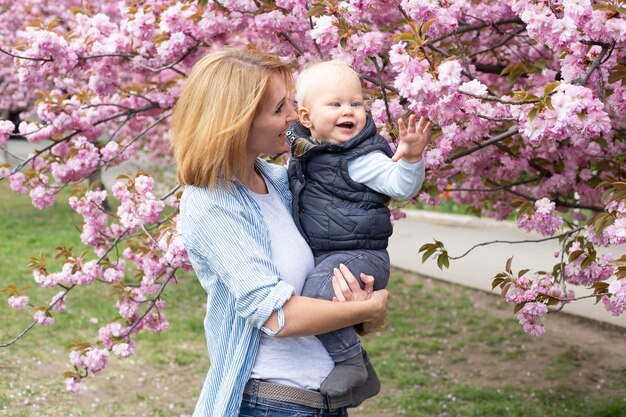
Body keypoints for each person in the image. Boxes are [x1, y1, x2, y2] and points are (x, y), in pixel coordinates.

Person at [170, 48, 390, 417]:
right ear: (236, 120)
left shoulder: (285, 182)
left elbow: (329, 270)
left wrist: (364, 314)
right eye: (278, 109)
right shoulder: (211, 204)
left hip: (326, 401)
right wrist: (371, 307)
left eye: (290, 103)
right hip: (271, 404)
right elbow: (276, 316)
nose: (294, 116)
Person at [286, 60, 432, 397]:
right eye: (335, 104)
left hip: (361, 254)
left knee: (314, 299)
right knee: (316, 295)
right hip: (330, 253)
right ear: (306, 118)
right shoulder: (303, 153)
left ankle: (352, 362)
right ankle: (358, 372)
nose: (348, 111)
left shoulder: (361, 156)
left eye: (356, 103)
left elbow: (399, 185)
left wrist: (410, 159)